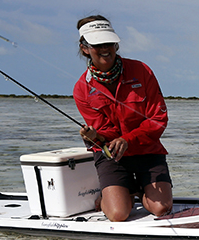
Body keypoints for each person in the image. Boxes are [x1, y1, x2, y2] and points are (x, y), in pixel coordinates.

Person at [72, 15, 173, 222]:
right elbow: (104, 132)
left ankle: (135, 191)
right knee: (118, 215)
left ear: (116, 44)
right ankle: (113, 196)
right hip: (111, 155)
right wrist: (94, 135)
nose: (104, 48)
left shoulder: (142, 71)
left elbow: (158, 118)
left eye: (108, 42)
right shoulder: (81, 89)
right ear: (85, 48)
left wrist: (129, 140)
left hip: (147, 150)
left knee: (161, 209)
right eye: (97, 44)